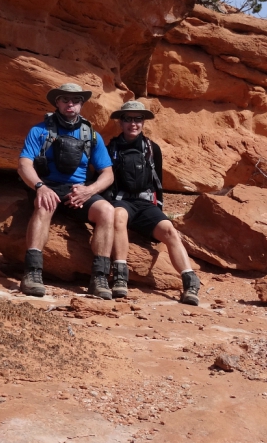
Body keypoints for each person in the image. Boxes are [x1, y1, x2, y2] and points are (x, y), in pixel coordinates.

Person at [17, 83, 117, 299]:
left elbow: (108, 174)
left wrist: (89, 191)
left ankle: (99, 277)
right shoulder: (40, 130)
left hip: (77, 192)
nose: (70, 104)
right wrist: (40, 187)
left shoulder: (91, 136)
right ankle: (32, 273)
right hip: (48, 186)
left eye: (75, 101)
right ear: (57, 103)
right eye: (65, 100)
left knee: (107, 211)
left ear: (81, 104)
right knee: (44, 205)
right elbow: (24, 164)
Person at [106, 101, 200, 305]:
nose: (133, 123)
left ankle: (190, 282)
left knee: (169, 230)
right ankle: (121, 277)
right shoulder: (111, 148)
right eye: (128, 119)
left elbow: (158, 182)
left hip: (146, 205)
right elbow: (105, 179)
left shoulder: (152, 149)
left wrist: (158, 211)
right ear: (120, 122)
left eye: (138, 119)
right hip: (121, 202)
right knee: (119, 217)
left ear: (143, 122)